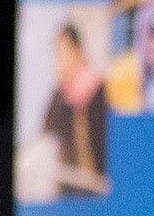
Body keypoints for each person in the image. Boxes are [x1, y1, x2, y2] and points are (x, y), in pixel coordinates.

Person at [43, 22, 107, 196]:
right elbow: (47, 136)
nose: (57, 64)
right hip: (66, 191)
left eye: (61, 55)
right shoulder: (58, 96)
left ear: (78, 53)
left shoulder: (101, 93)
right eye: (55, 56)